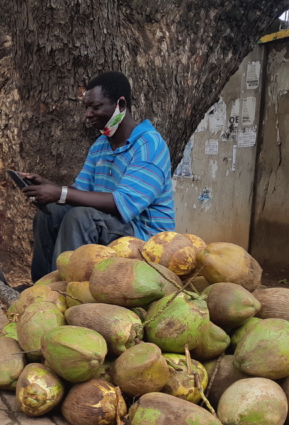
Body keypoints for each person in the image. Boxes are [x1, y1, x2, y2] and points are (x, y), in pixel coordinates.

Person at [21, 71, 176, 283]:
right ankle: (42, 286)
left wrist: (60, 192)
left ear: (120, 105)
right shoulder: (101, 145)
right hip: (113, 224)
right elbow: (79, 193)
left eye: (96, 107)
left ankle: (67, 290)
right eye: (86, 108)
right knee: (51, 213)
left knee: (83, 219)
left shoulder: (149, 145)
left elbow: (123, 203)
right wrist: (50, 188)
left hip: (146, 237)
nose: (88, 114)